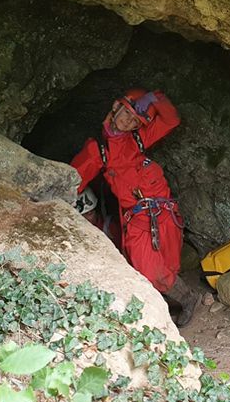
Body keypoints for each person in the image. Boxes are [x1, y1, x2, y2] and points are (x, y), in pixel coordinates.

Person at [70, 88, 201, 327]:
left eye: (135, 120)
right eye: (127, 114)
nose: (129, 122)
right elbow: (72, 180)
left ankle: (166, 304)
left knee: (169, 265)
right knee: (148, 270)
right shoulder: (98, 150)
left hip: (164, 211)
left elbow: (172, 120)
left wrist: (156, 98)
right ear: (115, 106)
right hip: (138, 219)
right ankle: (188, 298)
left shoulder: (139, 138)